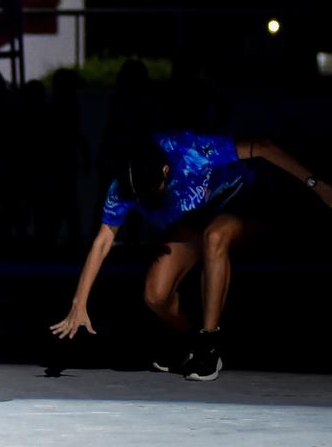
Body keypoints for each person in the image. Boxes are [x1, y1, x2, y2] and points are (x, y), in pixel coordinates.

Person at [50, 131, 332, 380]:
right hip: (198, 216)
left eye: (152, 194)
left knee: (215, 238)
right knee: (155, 296)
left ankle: (210, 344)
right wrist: (79, 302)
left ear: (164, 170)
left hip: (246, 199)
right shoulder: (125, 184)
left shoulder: (192, 151)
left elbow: (263, 145)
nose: (147, 203)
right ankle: (191, 343)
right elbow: (103, 240)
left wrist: (317, 185)